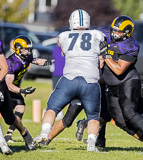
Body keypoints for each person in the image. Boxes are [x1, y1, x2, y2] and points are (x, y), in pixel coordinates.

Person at [33, 9, 106, 152]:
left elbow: (64, 52)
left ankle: (44, 133)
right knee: (93, 116)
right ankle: (91, 143)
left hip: (69, 79)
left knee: (52, 108)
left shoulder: (63, 36)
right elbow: (101, 62)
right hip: (90, 81)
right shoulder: (98, 34)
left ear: (71, 22)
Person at [98, 15, 143, 154]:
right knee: (120, 121)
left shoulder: (130, 46)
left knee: (129, 112)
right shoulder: (105, 33)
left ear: (127, 32)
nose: (115, 33)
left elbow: (119, 70)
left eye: (119, 32)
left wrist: (105, 55)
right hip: (112, 87)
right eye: (114, 30)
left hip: (127, 82)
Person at [4, 35, 54, 143]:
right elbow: (8, 85)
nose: (27, 51)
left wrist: (49, 62)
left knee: (20, 107)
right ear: (17, 48)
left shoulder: (25, 57)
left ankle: (8, 135)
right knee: (7, 113)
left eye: (28, 49)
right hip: (4, 89)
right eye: (25, 49)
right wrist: (22, 91)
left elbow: (36, 60)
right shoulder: (12, 63)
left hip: (13, 89)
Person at [0, 39, 35, 153]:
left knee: (10, 118)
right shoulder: (13, 61)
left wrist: (49, 62)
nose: (27, 51)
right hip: (10, 88)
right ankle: (3, 144)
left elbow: (4, 69)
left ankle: (25, 133)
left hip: (1, 86)